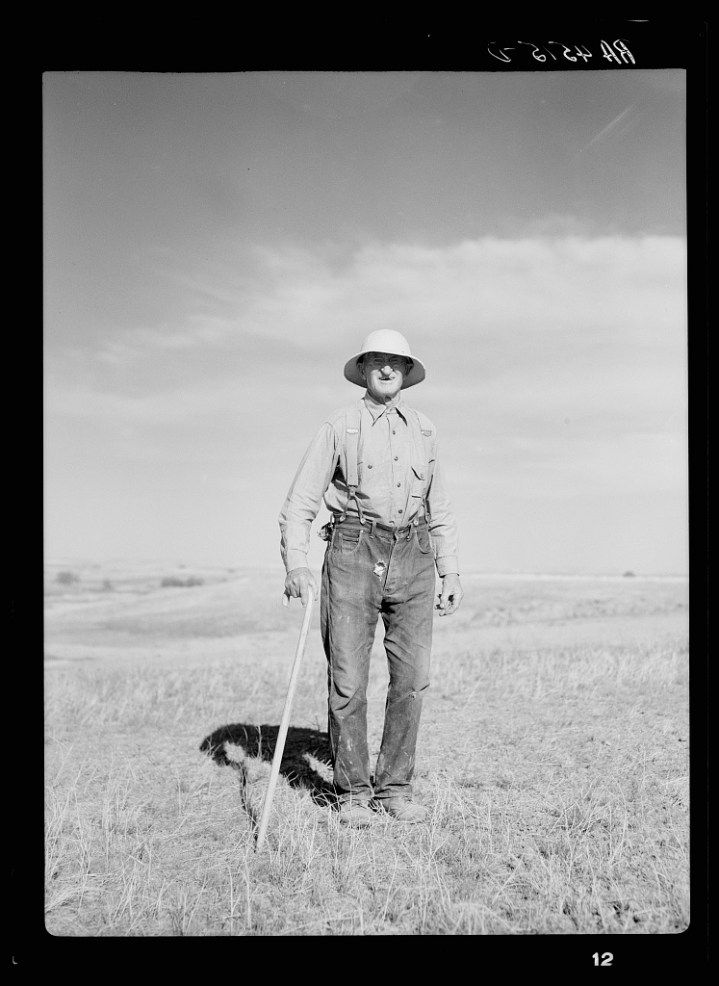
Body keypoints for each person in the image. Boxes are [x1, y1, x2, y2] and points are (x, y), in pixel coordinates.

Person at [279, 330, 463, 827]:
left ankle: (395, 790)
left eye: (396, 362)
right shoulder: (339, 425)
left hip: (416, 552)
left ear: (407, 372)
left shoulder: (425, 430)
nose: (386, 369)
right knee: (348, 679)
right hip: (352, 550)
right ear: (362, 369)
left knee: (413, 680)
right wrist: (296, 563)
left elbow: (439, 506)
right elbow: (300, 502)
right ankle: (354, 794)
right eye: (377, 361)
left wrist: (450, 569)